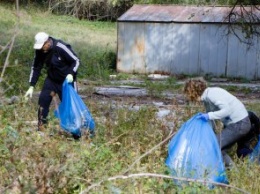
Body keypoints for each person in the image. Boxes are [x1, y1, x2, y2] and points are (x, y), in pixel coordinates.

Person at [183, 78, 251, 167]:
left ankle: (235, 173)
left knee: (214, 146)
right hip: (236, 124)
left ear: (194, 91)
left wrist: (208, 116)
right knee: (219, 148)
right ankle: (234, 173)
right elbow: (211, 119)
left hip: (239, 123)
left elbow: (226, 110)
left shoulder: (212, 94)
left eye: (189, 94)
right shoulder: (207, 98)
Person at [24, 32, 80, 134]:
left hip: (67, 81)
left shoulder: (60, 47)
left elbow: (76, 60)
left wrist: (71, 74)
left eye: (42, 46)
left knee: (71, 106)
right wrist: (31, 86)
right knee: (43, 101)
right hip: (52, 80)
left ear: (48, 42)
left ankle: (76, 131)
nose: (41, 49)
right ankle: (41, 129)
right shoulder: (40, 51)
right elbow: (36, 67)